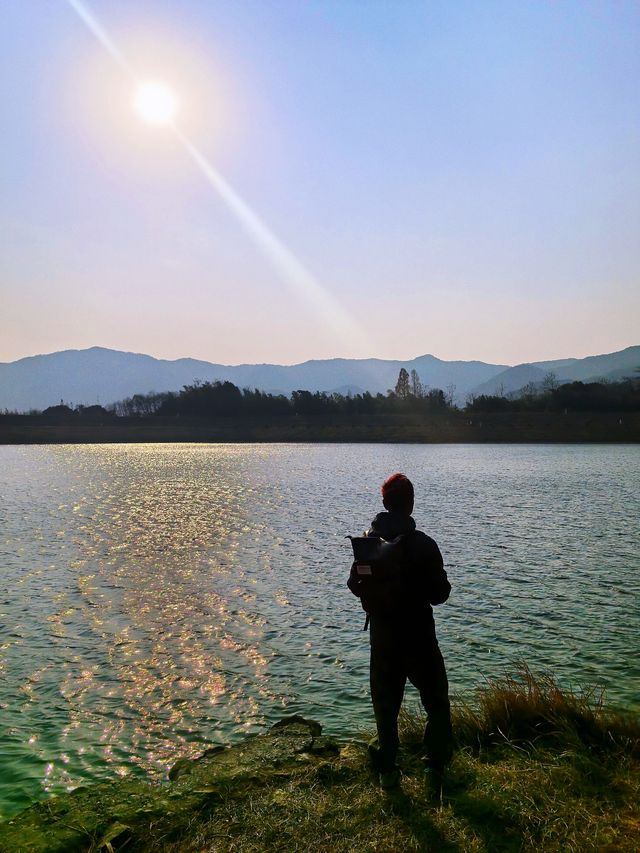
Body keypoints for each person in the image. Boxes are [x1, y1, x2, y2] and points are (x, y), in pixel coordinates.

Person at [348, 472, 452, 790]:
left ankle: (388, 771)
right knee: (435, 701)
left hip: (383, 637)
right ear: (410, 504)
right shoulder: (424, 545)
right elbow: (440, 595)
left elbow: (354, 585)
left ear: (384, 503)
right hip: (419, 635)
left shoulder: (366, 545)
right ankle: (433, 768)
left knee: (385, 705)